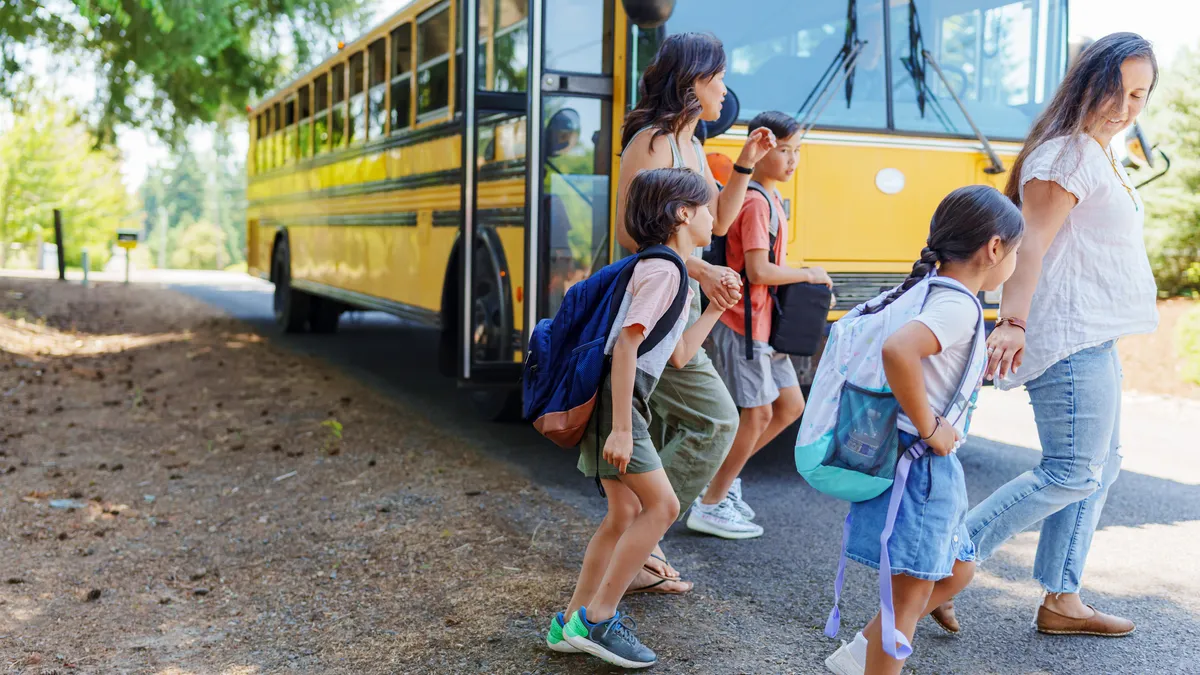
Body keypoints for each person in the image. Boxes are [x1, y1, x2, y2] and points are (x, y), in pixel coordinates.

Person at [930, 33, 1159, 638]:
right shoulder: (1065, 157)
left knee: (1098, 467)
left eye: (1141, 94)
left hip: (1094, 332)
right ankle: (944, 560)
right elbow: (1029, 247)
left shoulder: (1096, 152)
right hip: (1066, 334)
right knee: (1073, 470)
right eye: (1118, 90)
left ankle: (1062, 598)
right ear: (1088, 83)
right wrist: (1014, 321)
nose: (1128, 105)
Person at [824, 185, 1024, 675]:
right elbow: (898, 350)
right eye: (1015, 252)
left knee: (957, 569)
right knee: (906, 601)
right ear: (994, 248)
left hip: (932, 465)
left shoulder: (934, 293)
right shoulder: (956, 306)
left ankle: (858, 654)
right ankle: (871, 663)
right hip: (921, 463)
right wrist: (933, 426)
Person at [546, 167, 735, 668]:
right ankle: (599, 618)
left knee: (623, 514)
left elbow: (677, 355)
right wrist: (625, 427)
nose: (715, 216)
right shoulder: (665, 271)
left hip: (621, 401)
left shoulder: (669, 271)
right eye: (708, 207)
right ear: (682, 214)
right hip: (618, 404)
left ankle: (571, 622)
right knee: (663, 507)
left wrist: (714, 308)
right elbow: (627, 343)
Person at [614, 32, 778, 592]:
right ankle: (639, 542)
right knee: (716, 420)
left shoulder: (691, 139)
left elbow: (721, 223)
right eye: (721, 76)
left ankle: (635, 552)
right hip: (660, 296)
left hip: (682, 298)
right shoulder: (653, 141)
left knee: (661, 426)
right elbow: (631, 232)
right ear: (694, 81)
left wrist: (746, 166)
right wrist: (700, 271)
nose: (727, 88)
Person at [688, 111, 833, 539]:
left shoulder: (769, 199)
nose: (792, 160)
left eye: (797, 151)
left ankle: (722, 484)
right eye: (783, 150)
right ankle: (711, 502)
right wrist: (808, 274)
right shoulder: (754, 201)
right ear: (762, 150)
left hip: (766, 325)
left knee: (790, 406)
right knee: (756, 415)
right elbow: (757, 270)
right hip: (742, 322)